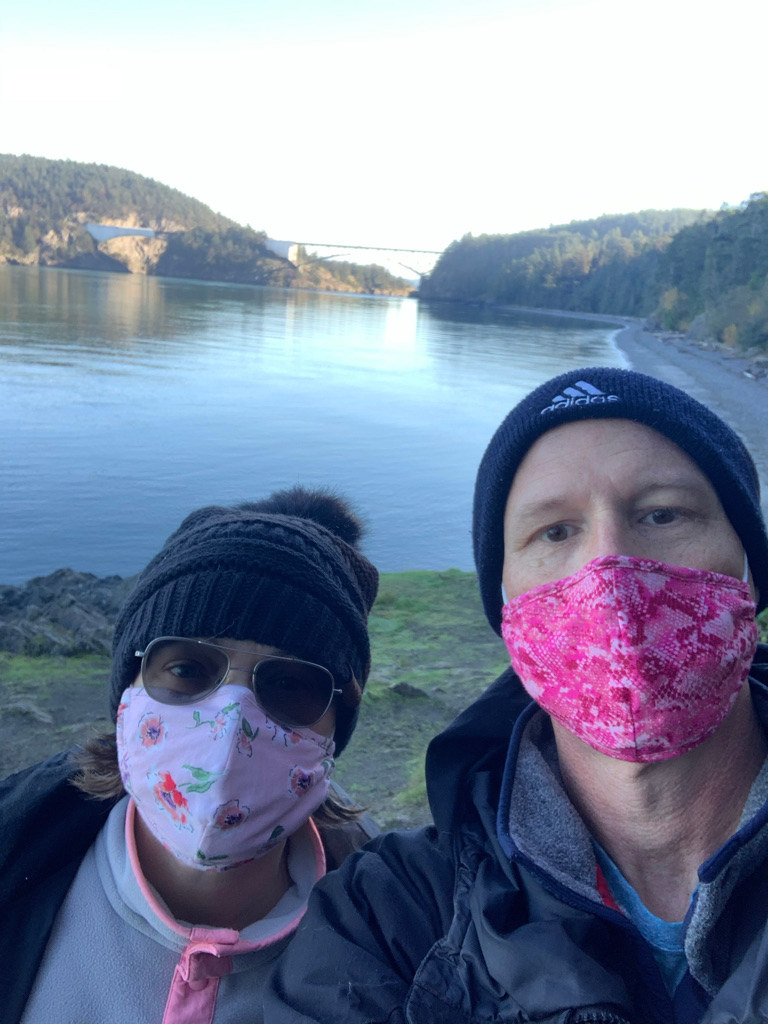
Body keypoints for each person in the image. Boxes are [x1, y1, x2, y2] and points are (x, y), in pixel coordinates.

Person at [265, 367, 768, 1024]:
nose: (608, 571)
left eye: (662, 514)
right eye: (555, 532)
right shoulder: (387, 918)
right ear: (507, 608)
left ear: (750, 569)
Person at [0, 486, 379, 1024]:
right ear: (128, 689)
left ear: (336, 725)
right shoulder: (16, 851)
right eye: (187, 669)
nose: (230, 724)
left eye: (290, 684)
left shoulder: (400, 929)